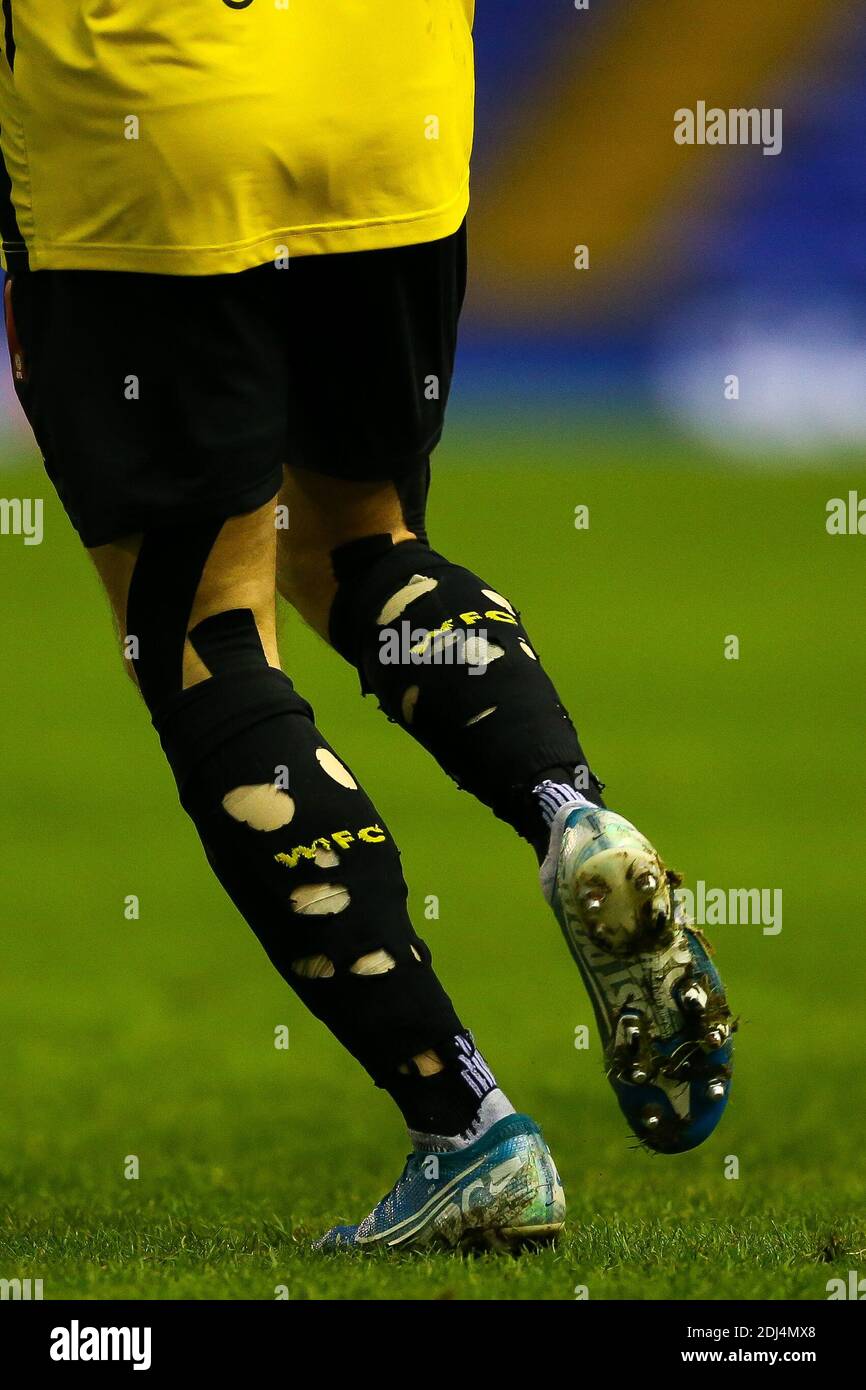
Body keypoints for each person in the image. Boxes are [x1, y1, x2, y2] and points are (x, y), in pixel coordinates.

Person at [0, 1, 732, 1253]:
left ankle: (465, 1129)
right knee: (358, 543)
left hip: (154, 120)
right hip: (390, 105)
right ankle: (571, 810)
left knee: (202, 629)